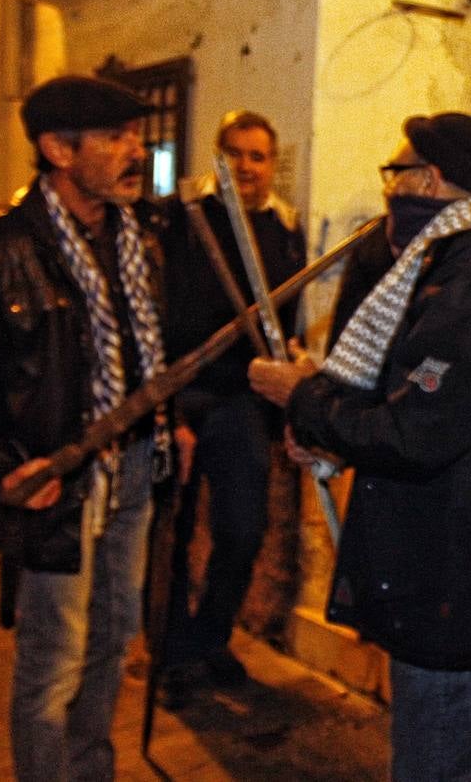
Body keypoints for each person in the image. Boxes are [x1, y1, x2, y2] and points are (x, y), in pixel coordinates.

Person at [248, 112, 471, 781]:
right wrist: (330, 422)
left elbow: (414, 432)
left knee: (436, 757)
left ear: (432, 179)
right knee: (467, 745)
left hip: (448, 563)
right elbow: (407, 400)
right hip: (452, 557)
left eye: (397, 172)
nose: (390, 190)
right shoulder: (456, 265)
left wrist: (303, 397)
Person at [0, 75, 173, 780]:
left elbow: (140, 350)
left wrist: (167, 423)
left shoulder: (140, 238)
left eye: (136, 135)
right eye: (116, 138)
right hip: (56, 487)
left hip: (134, 473)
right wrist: (3, 471)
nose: (136, 150)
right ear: (58, 149)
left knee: (112, 645)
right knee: (52, 663)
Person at [157, 110, 306, 706]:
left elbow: (284, 321)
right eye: (235, 154)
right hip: (181, 394)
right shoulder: (185, 221)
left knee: (242, 530)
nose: (246, 167)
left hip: (241, 400)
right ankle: (170, 656)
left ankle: (208, 641)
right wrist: (167, 408)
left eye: (258, 156)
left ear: (271, 164)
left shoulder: (283, 229)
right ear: (218, 159)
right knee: (167, 535)